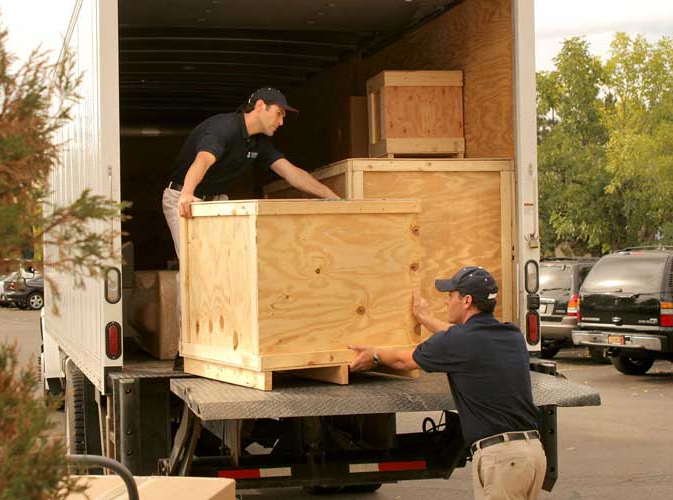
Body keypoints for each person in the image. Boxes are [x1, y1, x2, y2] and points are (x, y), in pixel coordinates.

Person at [349, 266, 546, 500]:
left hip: (503, 460)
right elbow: (457, 336)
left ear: (467, 301)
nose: (446, 302)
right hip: (532, 454)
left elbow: (403, 361)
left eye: (450, 296)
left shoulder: (458, 341)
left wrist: (375, 355)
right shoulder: (511, 335)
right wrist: (427, 320)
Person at [162, 87, 339, 256]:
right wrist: (187, 193)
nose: (281, 122)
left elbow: (290, 172)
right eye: (279, 114)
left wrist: (332, 197)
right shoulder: (224, 127)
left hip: (215, 200)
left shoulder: (259, 142)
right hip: (185, 197)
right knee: (195, 264)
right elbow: (203, 160)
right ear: (260, 106)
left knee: (226, 262)